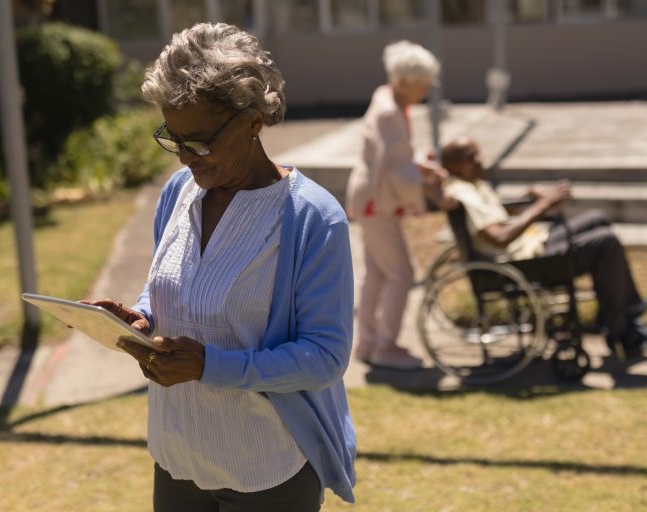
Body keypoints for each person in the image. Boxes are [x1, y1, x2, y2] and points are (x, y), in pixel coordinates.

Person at [84, 23, 355, 511]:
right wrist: (142, 319)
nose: (187, 158)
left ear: (254, 120)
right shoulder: (178, 193)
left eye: (202, 141)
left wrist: (211, 366)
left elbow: (326, 356)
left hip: (265, 468)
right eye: (175, 139)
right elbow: (170, 288)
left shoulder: (311, 217)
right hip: (178, 456)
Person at [441, 136, 647, 357]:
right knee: (605, 242)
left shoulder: (472, 183)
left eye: (478, 153)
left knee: (598, 219)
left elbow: (495, 217)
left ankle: (619, 316)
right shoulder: (463, 192)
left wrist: (530, 200)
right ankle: (622, 322)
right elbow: (500, 237)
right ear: (453, 164)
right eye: (471, 157)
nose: (480, 160)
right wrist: (542, 206)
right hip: (518, 262)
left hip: (531, 245)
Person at [346, 40, 451, 370]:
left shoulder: (386, 97)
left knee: (377, 273)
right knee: (401, 273)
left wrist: (419, 166)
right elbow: (395, 169)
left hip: (370, 196)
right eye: (423, 85)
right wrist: (432, 192)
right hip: (379, 201)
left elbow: (394, 157)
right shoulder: (392, 111)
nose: (425, 91)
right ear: (406, 81)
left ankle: (368, 341)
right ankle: (385, 345)